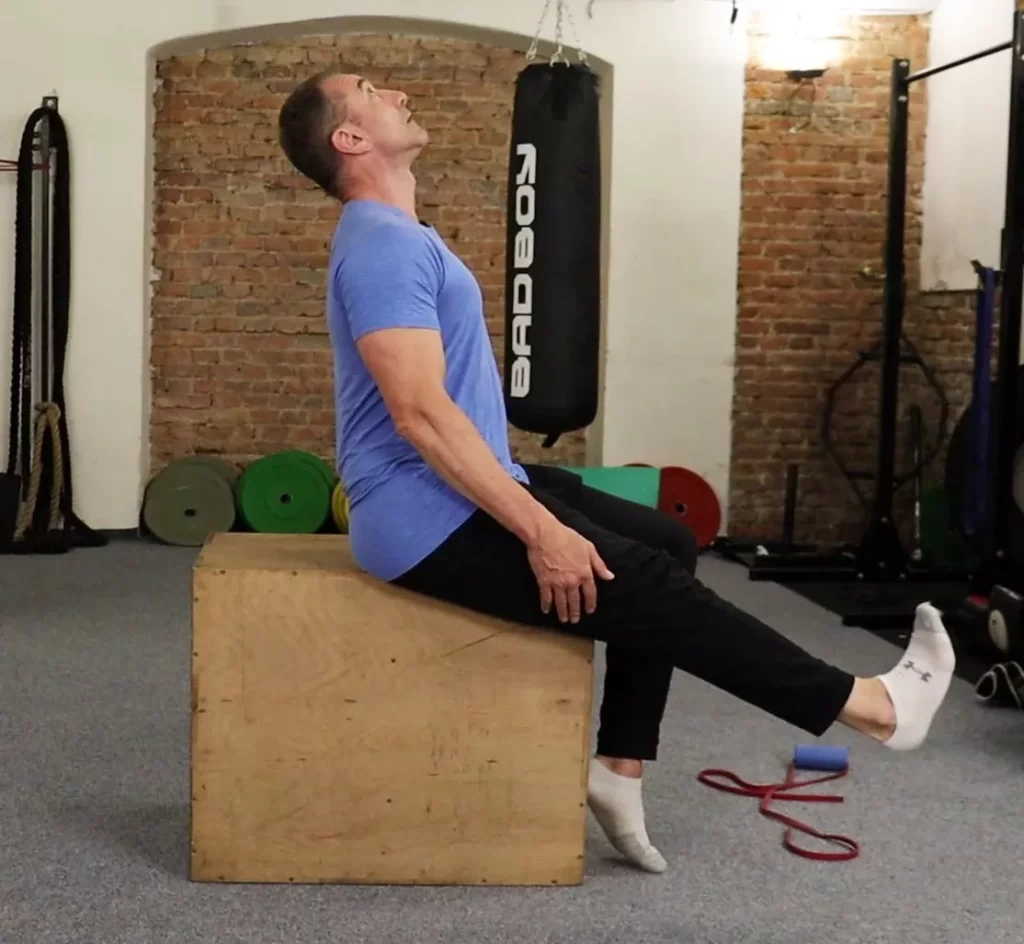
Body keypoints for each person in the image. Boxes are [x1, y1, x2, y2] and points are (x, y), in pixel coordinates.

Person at [277, 69, 956, 874]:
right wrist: (541, 532)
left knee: (666, 539)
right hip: (422, 517)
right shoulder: (381, 244)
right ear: (348, 139)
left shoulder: (399, 232)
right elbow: (419, 415)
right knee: (647, 584)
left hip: (455, 485)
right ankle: (872, 707)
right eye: (367, 88)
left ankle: (618, 769)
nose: (392, 89)